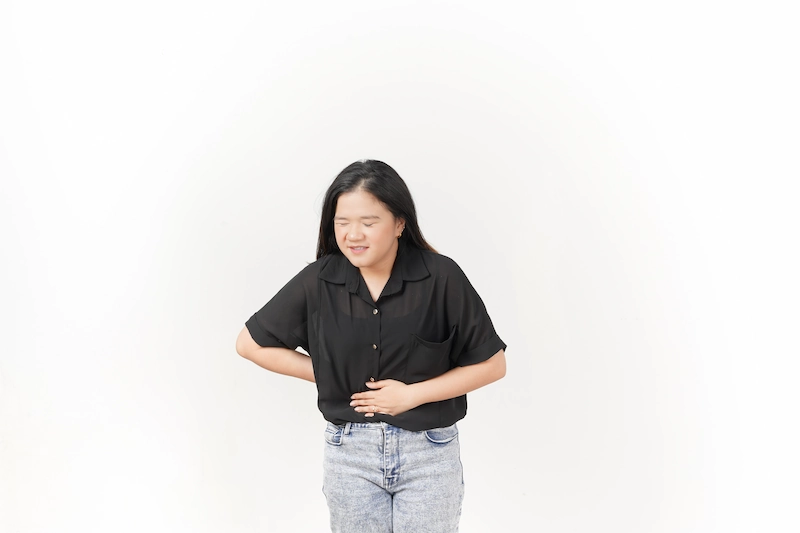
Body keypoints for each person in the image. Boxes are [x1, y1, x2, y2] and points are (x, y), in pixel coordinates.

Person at [236, 160, 507, 533]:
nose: (353, 234)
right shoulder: (319, 280)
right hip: (350, 455)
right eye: (342, 223)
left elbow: (492, 365)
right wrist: (329, 374)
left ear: (399, 223)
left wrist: (411, 395)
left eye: (368, 222)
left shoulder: (442, 277)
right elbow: (249, 344)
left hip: (429, 452)